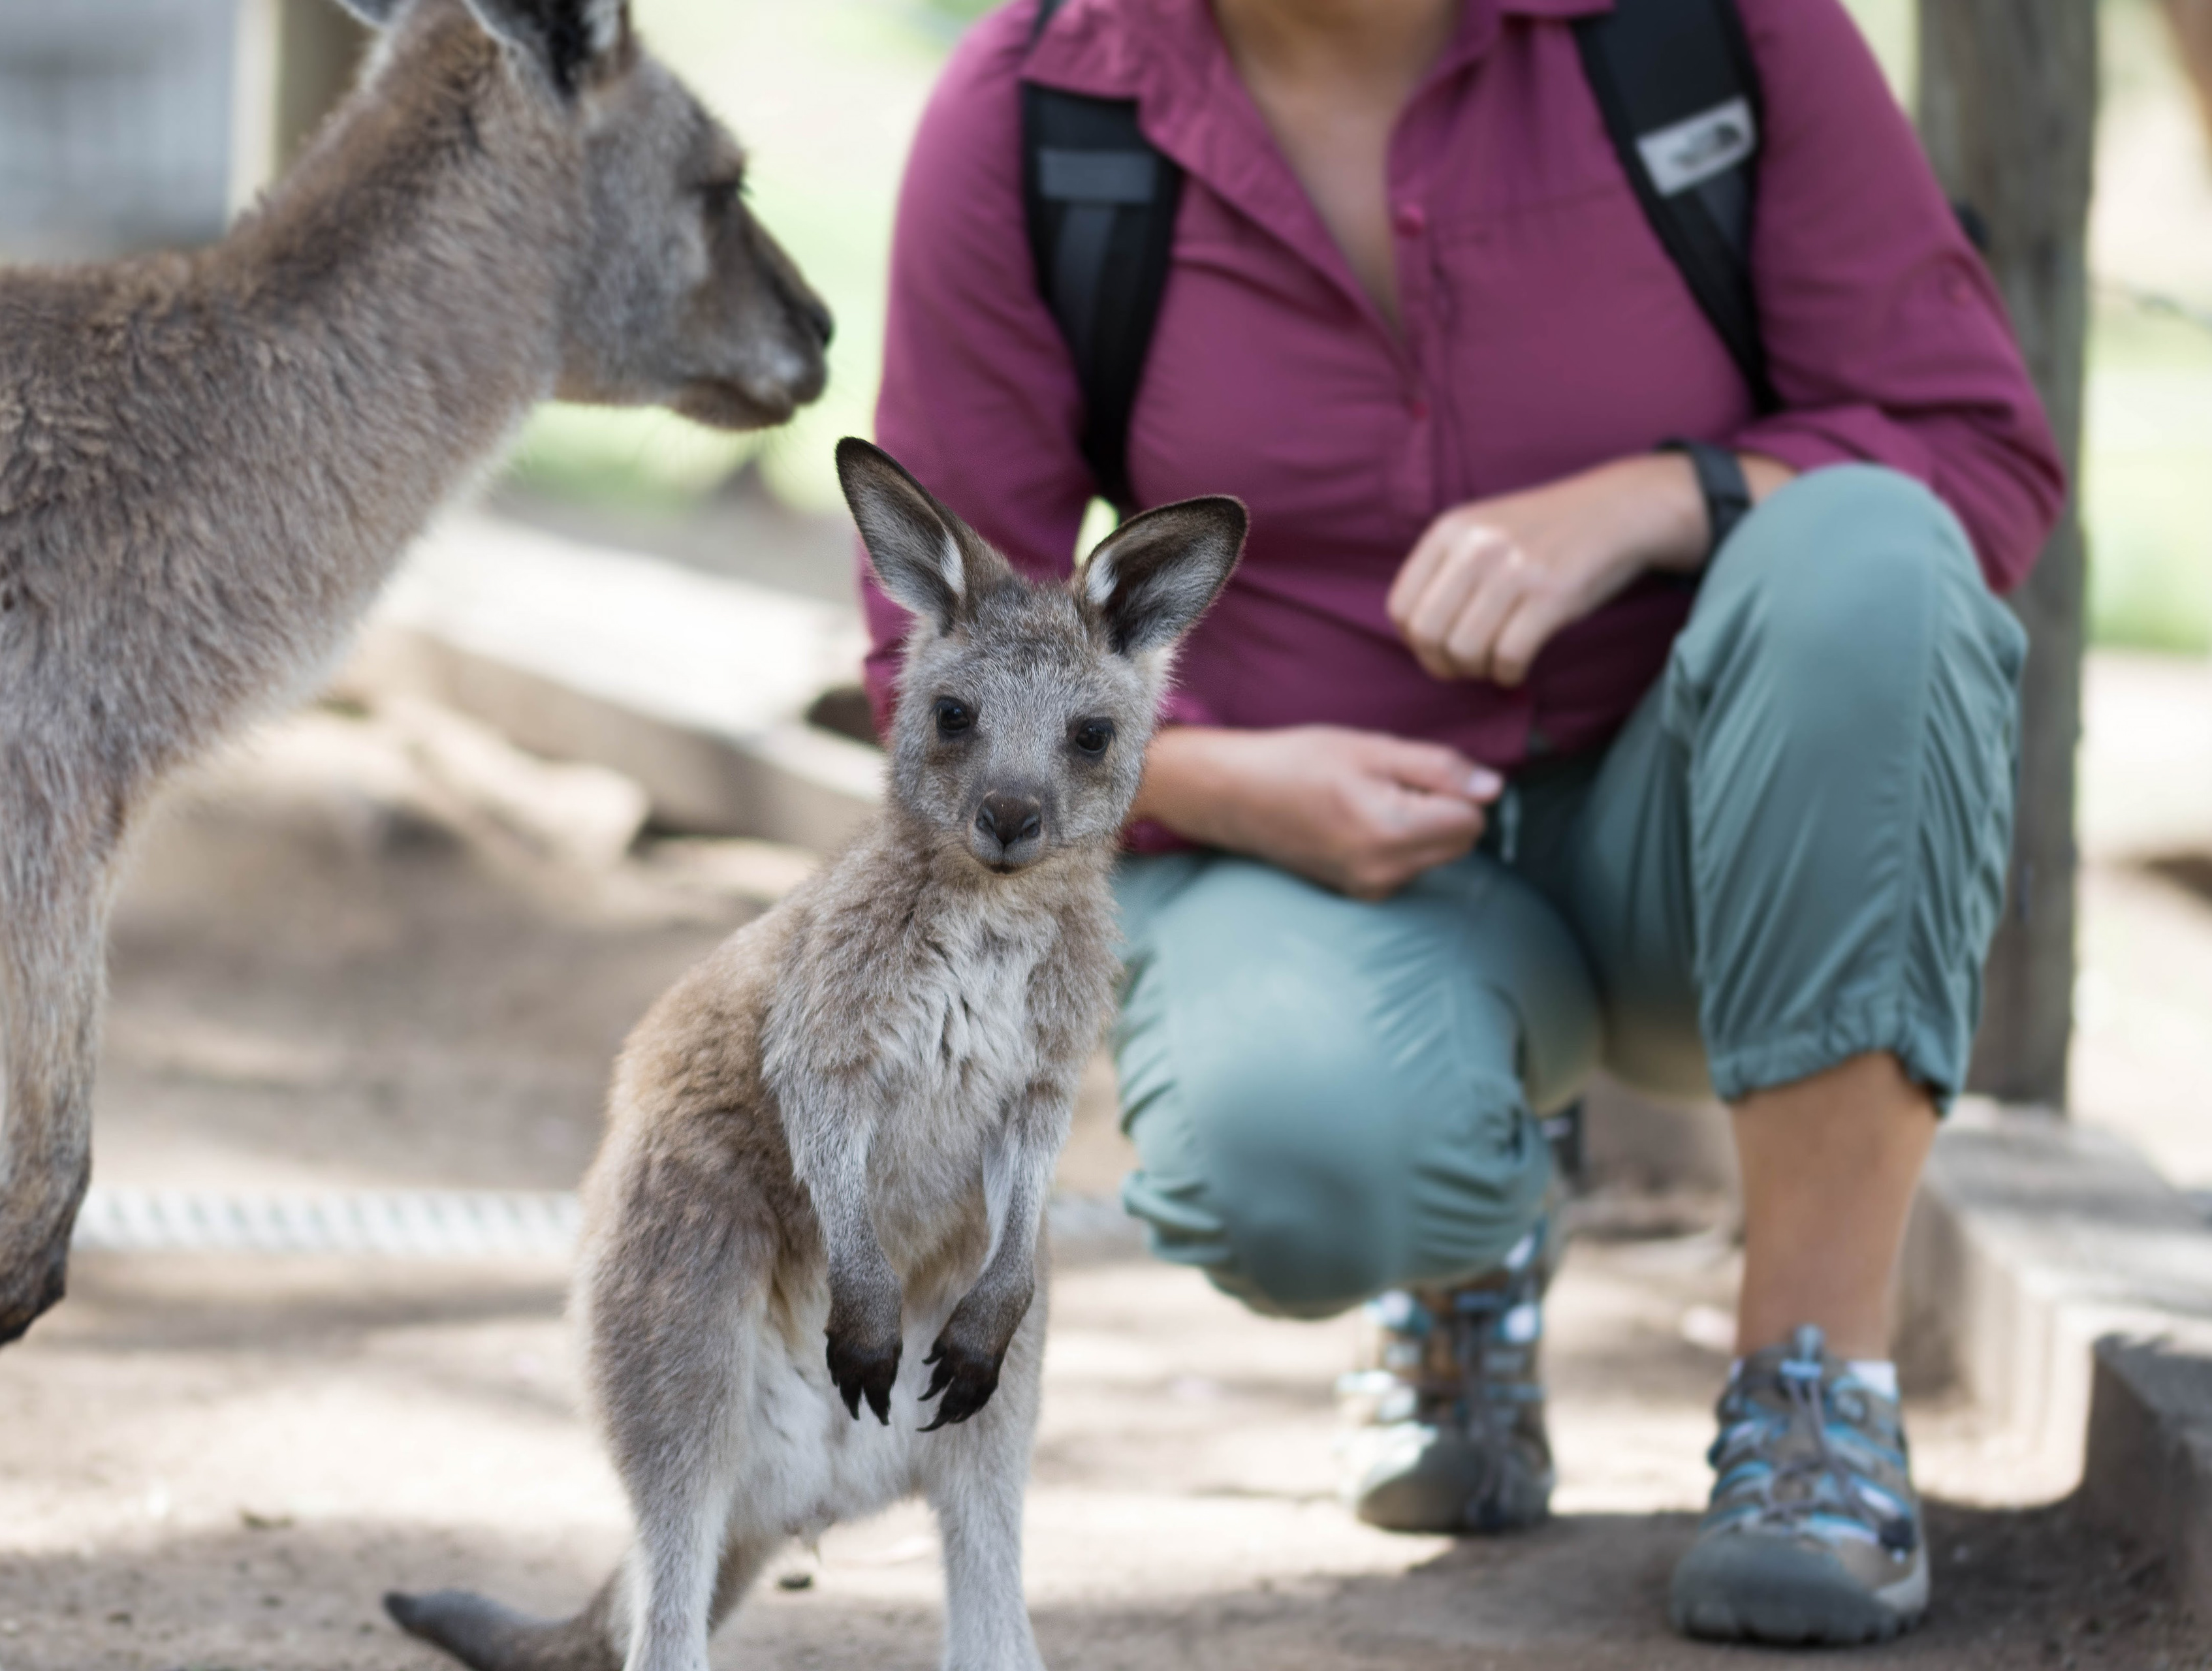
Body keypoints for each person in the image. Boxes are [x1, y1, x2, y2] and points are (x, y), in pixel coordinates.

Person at [855, 0, 2064, 1647]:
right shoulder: (1030, 111)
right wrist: (1229, 781)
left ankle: (1813, 1390)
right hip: (1306, 866)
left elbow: (1972, 449)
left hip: (1709, 851)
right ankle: (1467, 1225)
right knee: (1290, 1165)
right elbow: (932, 662)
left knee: (1873, 555)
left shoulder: (1722, 32)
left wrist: (1660, 497)